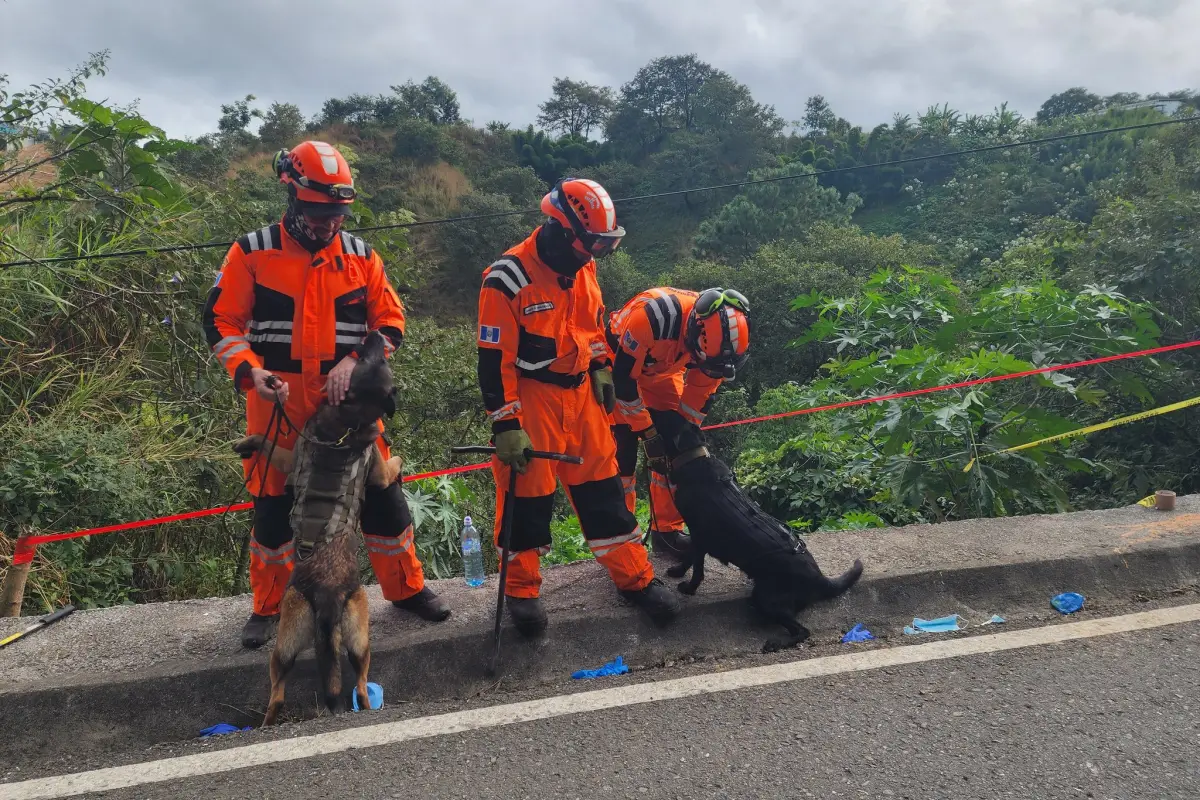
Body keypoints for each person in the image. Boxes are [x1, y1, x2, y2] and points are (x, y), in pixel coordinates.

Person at [203, 140, 449, 649]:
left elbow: (391, 323)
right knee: (274, 513)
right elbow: (221, 321)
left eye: (337, 213)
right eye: (319, 212)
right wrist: (251, 372)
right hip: (279, 407)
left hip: (352, 412)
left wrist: (357, 360)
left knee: (384, 502)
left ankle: (406, 589)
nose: (329, 223)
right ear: (291, 195)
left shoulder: (360, 257)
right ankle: (268, 607)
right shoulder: (252, 252)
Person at [476, 177, 679, 636]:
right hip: (532, 397)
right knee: (525, 497)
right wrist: (505, 423)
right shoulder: (507, 279)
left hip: (581, 392)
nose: (596, 254)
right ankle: (522, 592)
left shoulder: (582, 266)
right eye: (592, 244)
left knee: (604, 489)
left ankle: (636, 580)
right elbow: (493, 361)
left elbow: (591, 324)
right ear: (561, 228)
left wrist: (603, 363)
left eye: (603, 247)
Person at [606, 287, 751, 561]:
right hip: (615, 368)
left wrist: (680, 435)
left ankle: (667, 533)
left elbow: (698, 396)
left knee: (678, 448)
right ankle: (624, 541)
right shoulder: (650, 318)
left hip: (661, 373)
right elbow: (623, 384)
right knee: (621, 453)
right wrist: (648, 434)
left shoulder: (718, 353)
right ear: (694, 335)